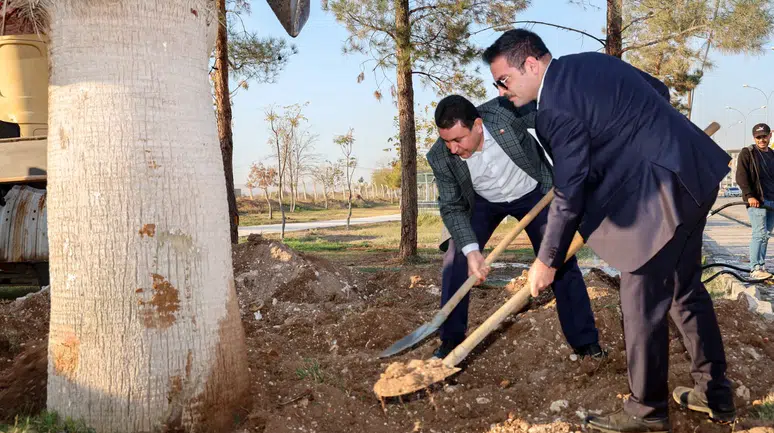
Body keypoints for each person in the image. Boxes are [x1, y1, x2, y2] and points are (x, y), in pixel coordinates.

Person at [482, 29, 735, 433]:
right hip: (694, 176)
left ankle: (647, 411)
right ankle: (714, 392)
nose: (500, 91)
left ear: (530, 64)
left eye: (503, 80)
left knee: (640, 303)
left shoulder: (554, 111)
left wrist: (546, 260)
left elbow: (569, 191)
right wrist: (632, 144)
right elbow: (659, 89)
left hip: (660, 199)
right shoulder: (592, 62)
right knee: (684, 291)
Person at [426, 94, 604, 361]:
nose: (452, 148)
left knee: (560, 260)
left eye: (457, 140)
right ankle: (451, 343)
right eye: (446, 140)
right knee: (456, 260)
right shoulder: (440, 156)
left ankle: (586, 344)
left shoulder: (505, 113)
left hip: (532, 192)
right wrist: (472, 251)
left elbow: (554, 116)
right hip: (482, 202)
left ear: (477, 124)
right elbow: (452, 207)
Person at [736, 123, 774, 279]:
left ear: (770, 135)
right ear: (754, 138)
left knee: (766, 235)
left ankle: (761, 266)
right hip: (757, 200)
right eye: (758, 137)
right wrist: (749, 195)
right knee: (759, 234)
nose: (762, 139)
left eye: (764, 136)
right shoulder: (748, 153)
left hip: (772, 200)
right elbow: (741, 176)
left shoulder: (772, 154)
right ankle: (755, 268)